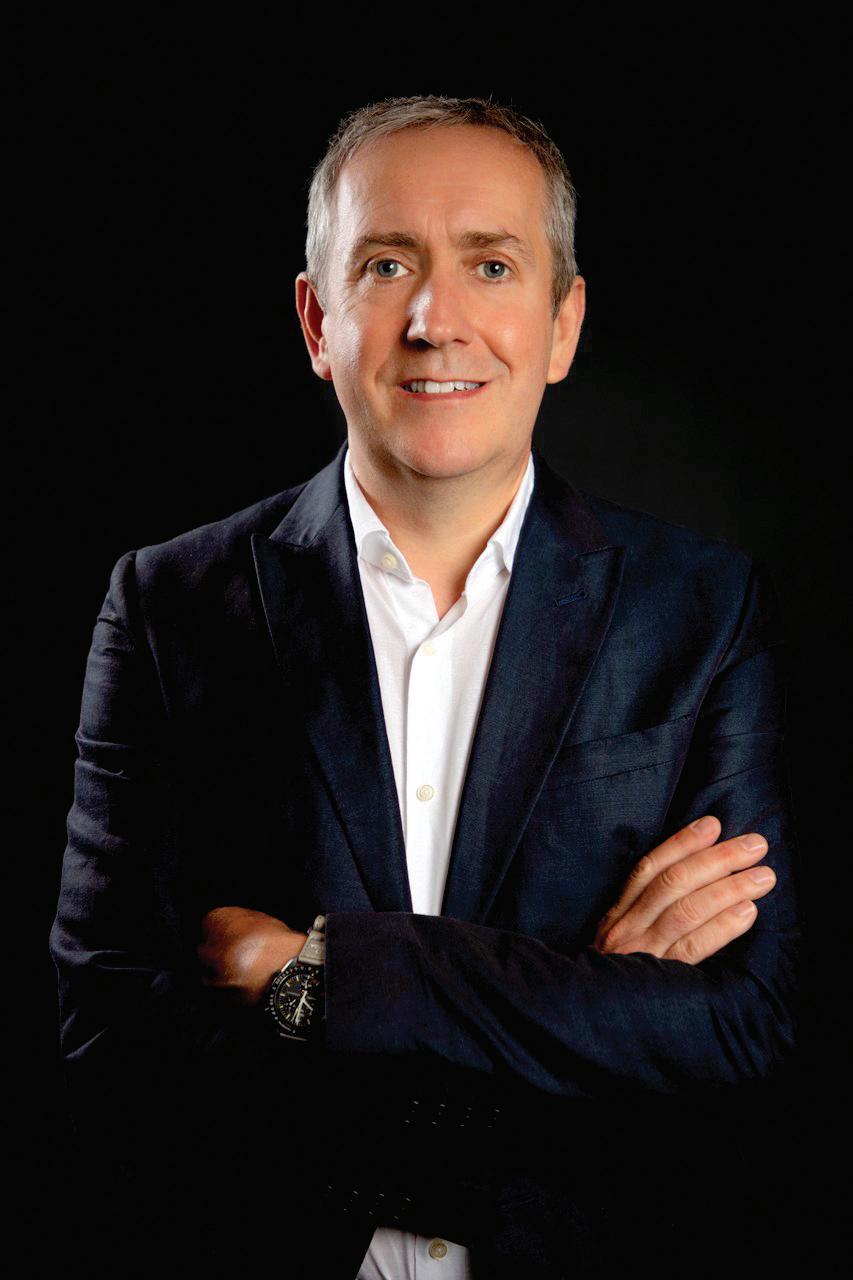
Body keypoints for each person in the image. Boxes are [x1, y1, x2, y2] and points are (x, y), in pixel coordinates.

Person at [50, 95, 803, 1279]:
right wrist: (585, 995)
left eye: (490, 266)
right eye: (387, 264)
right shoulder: (170, 605)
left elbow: (746, 1024)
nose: (433, 320)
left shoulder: (701, 609)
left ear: (561, 324)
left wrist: (315, 979)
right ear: (318, 320)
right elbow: (107, 1032)